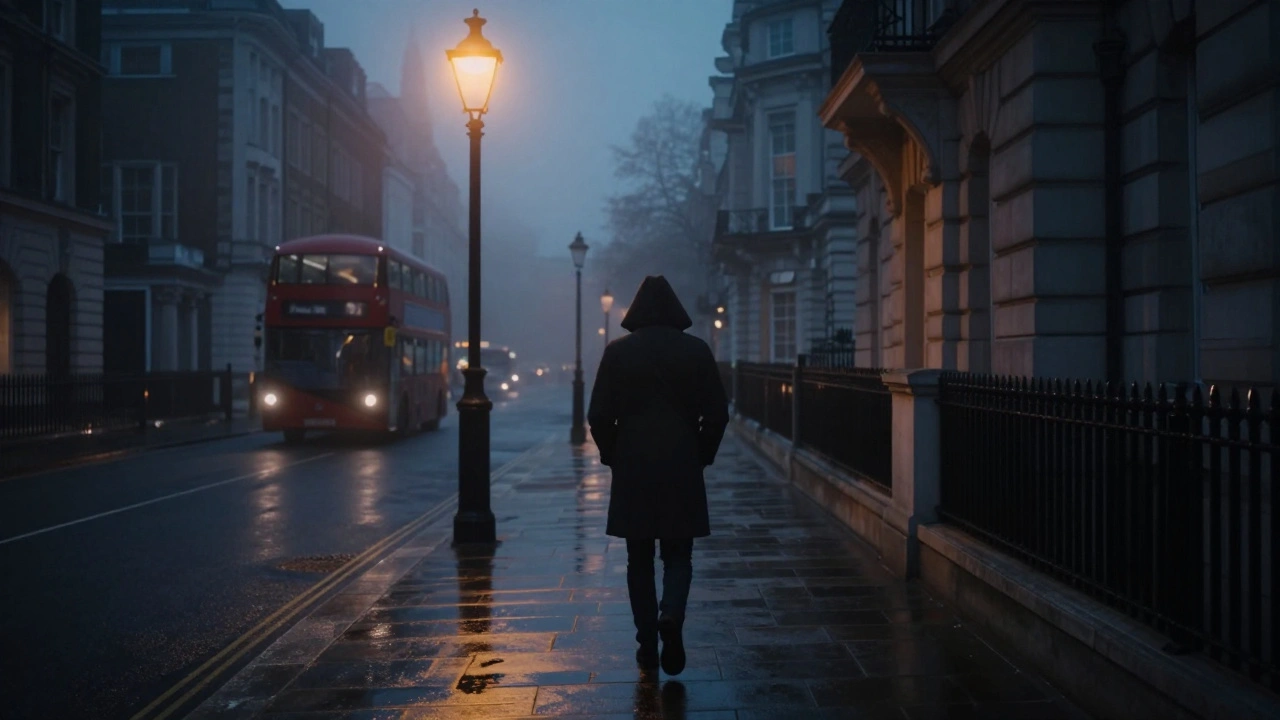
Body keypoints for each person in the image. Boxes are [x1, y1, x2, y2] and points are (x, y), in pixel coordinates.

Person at [587, 275, 730, 676]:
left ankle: (647, 644)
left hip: (634, 465)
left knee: (638, 559)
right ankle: (672, 614)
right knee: (679, 555)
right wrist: (701, 454)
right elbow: (718, 414)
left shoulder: (617, 353)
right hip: (681, 462)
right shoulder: (697, 351)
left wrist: (613, 454)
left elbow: (598, 415)